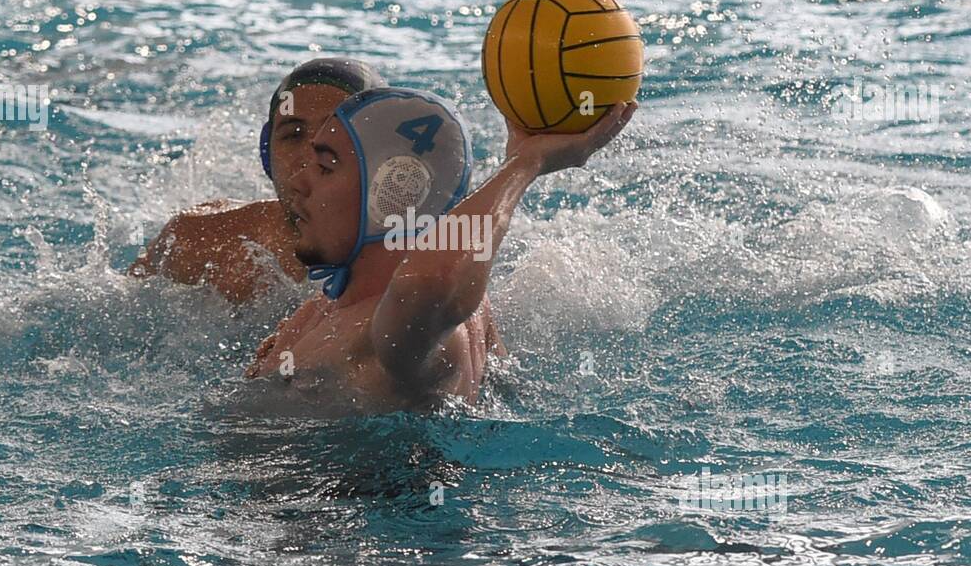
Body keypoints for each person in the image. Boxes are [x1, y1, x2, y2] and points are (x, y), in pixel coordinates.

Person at [246, 88, 637, 412]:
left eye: (325, 168)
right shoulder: (333, 305)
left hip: (340, 502)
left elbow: (430, 280)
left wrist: (525, 162)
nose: (298, 183)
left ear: (394, 192)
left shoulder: (402, 334)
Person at [129, 58, 384, 302]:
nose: (309, 157)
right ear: (266, 153)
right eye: (293, 135)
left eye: (337, 133)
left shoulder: (410, 260)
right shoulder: (198, 244)